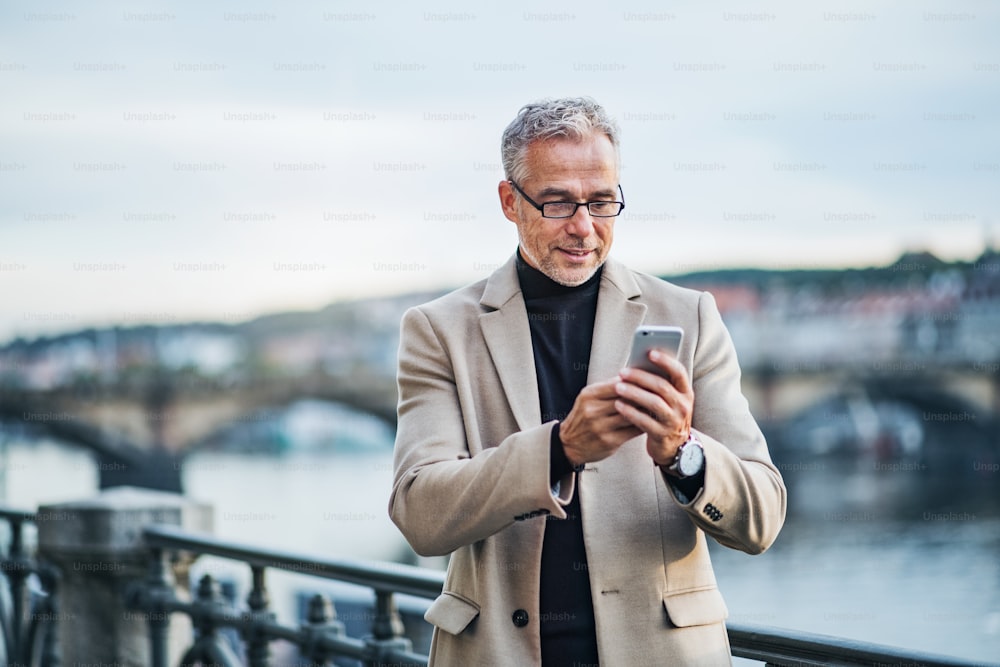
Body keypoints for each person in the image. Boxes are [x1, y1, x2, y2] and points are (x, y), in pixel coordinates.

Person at [389, 97, 786, 666]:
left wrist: (683, 454)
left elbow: (763, 518)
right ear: (510, 201)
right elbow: (420, 514)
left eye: (602, 202)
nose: (584, 227)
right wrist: (559, 450)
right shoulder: (439, 330)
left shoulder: (689, 315)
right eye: (557, 203)